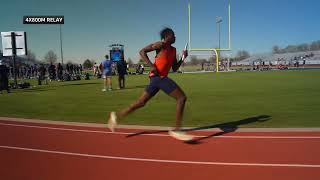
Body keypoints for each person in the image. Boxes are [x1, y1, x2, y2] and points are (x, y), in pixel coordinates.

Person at [108, 27, 192, 141]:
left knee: (141, 102)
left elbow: (174, 68)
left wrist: (183, 58)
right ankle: (176, 130)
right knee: (181, 98)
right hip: (158, 78)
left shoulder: (173, 50)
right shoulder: (160, 45)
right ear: (167, 36)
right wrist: (152, 66)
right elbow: (142, 51)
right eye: (173, 35)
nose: (175, 37)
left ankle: (116, 116)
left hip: (158, 79)